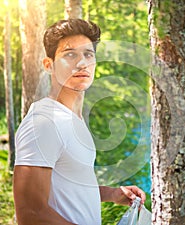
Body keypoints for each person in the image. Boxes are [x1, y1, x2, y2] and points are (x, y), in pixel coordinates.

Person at [13, 19, 146, 225]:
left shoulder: (73, 118)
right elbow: (30, 214)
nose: (82, 63)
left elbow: (69, 185)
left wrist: (111, 194)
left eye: (88, 54)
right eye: (70, 54)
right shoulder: (43, 123)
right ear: (49, 65)